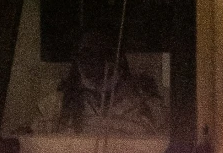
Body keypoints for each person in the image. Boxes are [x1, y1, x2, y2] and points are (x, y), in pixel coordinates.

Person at [34, 30, 165, 139]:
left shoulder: (145, 108)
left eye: (101, 52)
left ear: (116, 58)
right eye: (85, 53)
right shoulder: (54, 107)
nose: (91, 60)